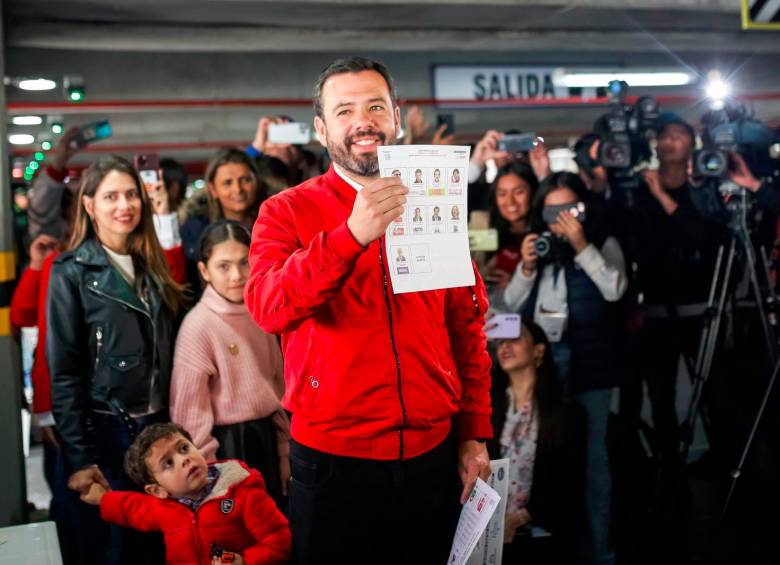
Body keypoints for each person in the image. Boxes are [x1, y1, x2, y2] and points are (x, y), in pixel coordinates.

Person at [245, 56, 492, 564]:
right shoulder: (286, 211)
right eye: (345, 110)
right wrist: (349, 237)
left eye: (376, 106)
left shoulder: (432, 200)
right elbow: (269, 307)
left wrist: (474, 433)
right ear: (321, 128)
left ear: (396, 117)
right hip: (335, 463)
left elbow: (465, 327)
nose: (364, 121)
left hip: (433, 455)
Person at [47, 155, 187, 565]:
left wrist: (166, 218)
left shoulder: (151, 264)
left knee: (155, 547)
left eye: (131, 195)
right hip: (105, 431)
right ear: (89, 205)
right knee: (108, 548)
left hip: (156, 428)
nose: (124, 205)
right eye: (111, 196)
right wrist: (77, 456)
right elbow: (64, 372)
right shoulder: (70, 271)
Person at [500, 172, 627, 565]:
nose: (560, 217)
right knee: (544, 458)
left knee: (592, 464)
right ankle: (553, 538)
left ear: (582, 208)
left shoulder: (600, 241)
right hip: (544, 368)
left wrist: (580, 244)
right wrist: (525, 267)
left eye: (568, 208)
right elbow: (507, 309)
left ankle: (598, 552)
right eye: (552, 209)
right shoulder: (536, 246)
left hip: (591, 368)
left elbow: (615, 289)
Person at [170, 220, 289, 508]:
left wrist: (286, 451)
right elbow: (190, 415)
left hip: (268, 441)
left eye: (244, 263)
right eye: (223, 266)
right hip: (228, 449)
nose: (236, 275)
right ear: (204, 270)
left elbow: (277, 386)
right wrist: (208, 476)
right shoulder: (198, 326)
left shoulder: (262, 313)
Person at [80, 423, 292, 565]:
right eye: (168, 463)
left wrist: (245, 560)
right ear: (158, 490)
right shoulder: (162, 507)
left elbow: (280, 540)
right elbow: (132, 507)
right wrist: (102, 498)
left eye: (183, 448)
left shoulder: (242, 492)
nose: (184, 460)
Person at [489, 320, 585, 564]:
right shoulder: (488, 408)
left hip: (543, 536)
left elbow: (570, 482)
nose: (504, 346)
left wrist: (521, 518)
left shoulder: (566, 411)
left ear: (539, 350)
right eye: (500, 341)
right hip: (490, 537)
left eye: (514, 338)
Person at [180, 148, 264, 291]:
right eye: (227, 183)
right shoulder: (195, 230)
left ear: (256, 181)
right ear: (213, 189)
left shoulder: (278, 220)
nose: (238, 189)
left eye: (245, 180)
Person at [483, 162, 539, 296]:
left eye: (519, 192)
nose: (510, 202)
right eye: (502, 194)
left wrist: (515, 283)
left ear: (533, 193)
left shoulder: (544, 235)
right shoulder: (490, 230)